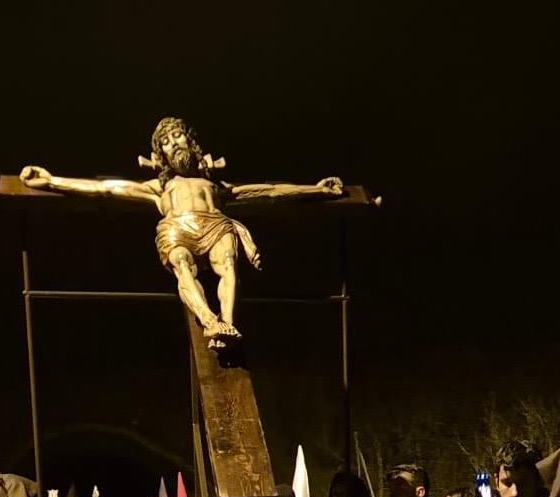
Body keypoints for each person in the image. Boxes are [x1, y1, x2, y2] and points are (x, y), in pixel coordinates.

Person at [20, 117, 343, 347]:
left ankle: (227, 322)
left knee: (229, 263)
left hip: (215, 224)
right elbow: (104, 188)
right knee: (182, 265)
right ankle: (209, 321)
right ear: (160, 155)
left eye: (178, 136)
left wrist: (315, 190)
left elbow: (270, 191)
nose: (174, 143)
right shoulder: (159, 188)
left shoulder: (217, 187)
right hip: (178, 227)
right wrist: (51, 181)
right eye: (166, 142)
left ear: (191, 141)